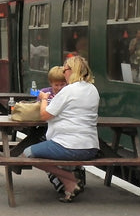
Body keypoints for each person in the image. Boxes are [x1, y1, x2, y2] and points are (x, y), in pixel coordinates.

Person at [23, 56, 99, 203]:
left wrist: (44, 98)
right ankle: (70, 183)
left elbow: (45, 115)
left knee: (27, 155)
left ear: (72, 71)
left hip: (69, 146)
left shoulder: (68, 91)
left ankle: (71, 180)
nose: (64, 73)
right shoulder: (93, 89)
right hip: (91, 147)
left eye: (65, 70)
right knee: (42, 149)